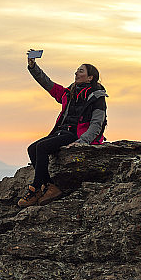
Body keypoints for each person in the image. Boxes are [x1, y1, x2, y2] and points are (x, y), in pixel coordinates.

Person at [18, 51, 108, 208]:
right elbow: (48, 84)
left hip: (76, 135)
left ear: (90, 77)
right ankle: (49, 187)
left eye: (81, 70)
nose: (76, 72)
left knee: (41, 147)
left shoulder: (97, 97)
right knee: (32, 148)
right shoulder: (69, 92)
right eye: (77, 70)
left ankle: (35, 188)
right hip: (63, 132)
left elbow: (96, 123)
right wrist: (33, 66)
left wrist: (82, 141)